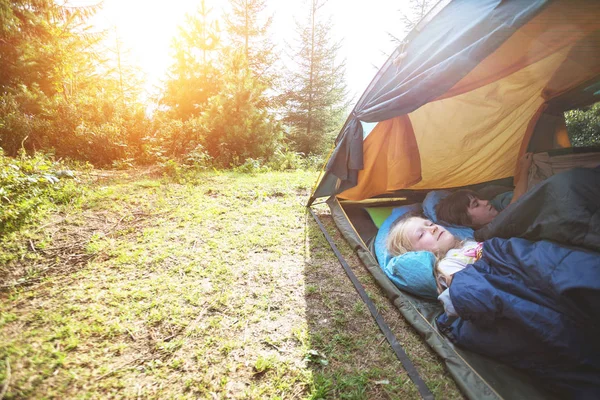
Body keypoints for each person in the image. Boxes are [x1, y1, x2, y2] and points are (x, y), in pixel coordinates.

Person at [385, 212, 600, 398]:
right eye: (421, 234)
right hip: (501, 282)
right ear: (415, 254)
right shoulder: (445, 267)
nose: (431, 227)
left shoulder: (471, 241)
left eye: (428, 223)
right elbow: (465, 297)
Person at [435, 152, 533, 229]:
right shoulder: (490, 232)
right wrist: (524, 169)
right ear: (467, 221)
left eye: (479, 200)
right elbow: (516, 204)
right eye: (476, 204)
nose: (486, 202)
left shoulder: (498, 207)